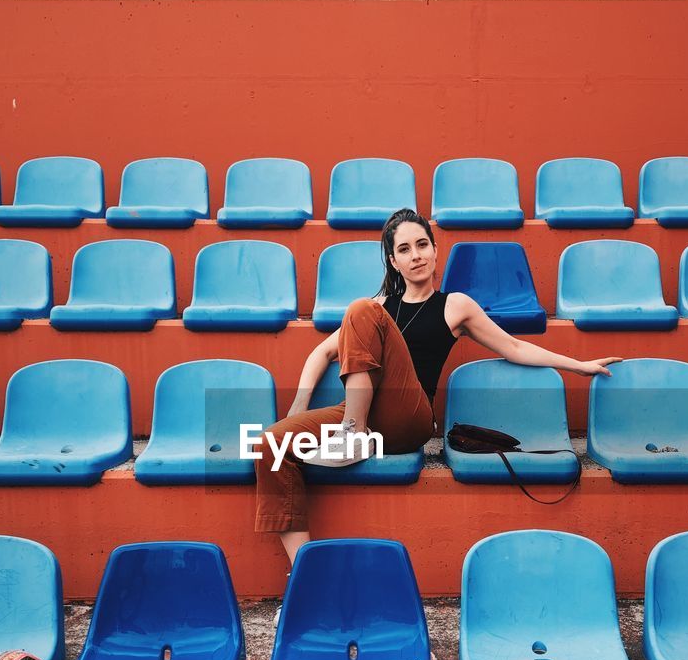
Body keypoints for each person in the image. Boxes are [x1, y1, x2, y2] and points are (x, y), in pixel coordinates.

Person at [253, 208, 622, 565]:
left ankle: (351, 434)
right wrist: (298, 409)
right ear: (393, 262)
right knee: (271, 444)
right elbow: (321, 352)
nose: (416, 256)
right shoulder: (378, 308)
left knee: (360, 309)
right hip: (364, 415)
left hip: (409, 417)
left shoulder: (453, 305)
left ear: (434, 249)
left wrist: (578, 366)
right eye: (404, 249)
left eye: (422, 245)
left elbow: (514, 346)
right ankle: (306, 573)